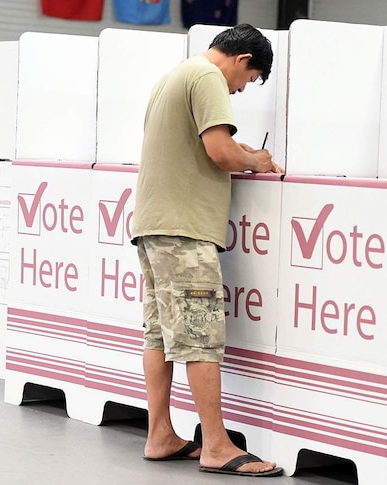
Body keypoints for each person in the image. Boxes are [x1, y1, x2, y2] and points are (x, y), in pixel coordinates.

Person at [130, 24, 284, 477]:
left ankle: (160, 434)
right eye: (248, 81)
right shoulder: (210, 78)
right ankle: (217, 445)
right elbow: (218, 151)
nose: (239, 90)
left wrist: (241, 150)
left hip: (154, 224)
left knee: (160, 334)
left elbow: (198, 146)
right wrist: (255, 160)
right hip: (185, 230)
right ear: (241, 61)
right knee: (201, 336)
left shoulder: (175, 75)